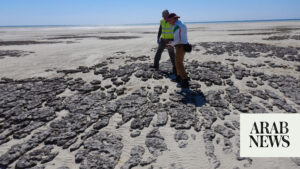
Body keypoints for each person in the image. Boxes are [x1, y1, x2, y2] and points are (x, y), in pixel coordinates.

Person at [167, 13, 189, 88]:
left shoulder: (176, 26)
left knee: (179, 63)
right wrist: (173, 43)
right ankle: (179, 77)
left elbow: (177, 39)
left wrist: (170, 44)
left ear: (173, 19)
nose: (169, 22)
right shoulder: (181, 24)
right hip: (183, 44)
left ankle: (185, 80)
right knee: (178, 62)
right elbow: (180, 37)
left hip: (180, 46)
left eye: (169, 20)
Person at [150, 10, 176, 74]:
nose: (164, 17)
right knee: (158, 52)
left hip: (170, 40)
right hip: (163, 40)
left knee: (171, 54)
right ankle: (156, 66)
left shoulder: (172, 21)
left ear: (168, 15)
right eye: (163, 16)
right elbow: (160, 30)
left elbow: (176, 31)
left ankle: (175, 67)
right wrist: (158, 38)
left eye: (165, 16)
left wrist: (174, 41)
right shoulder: (162, 21)